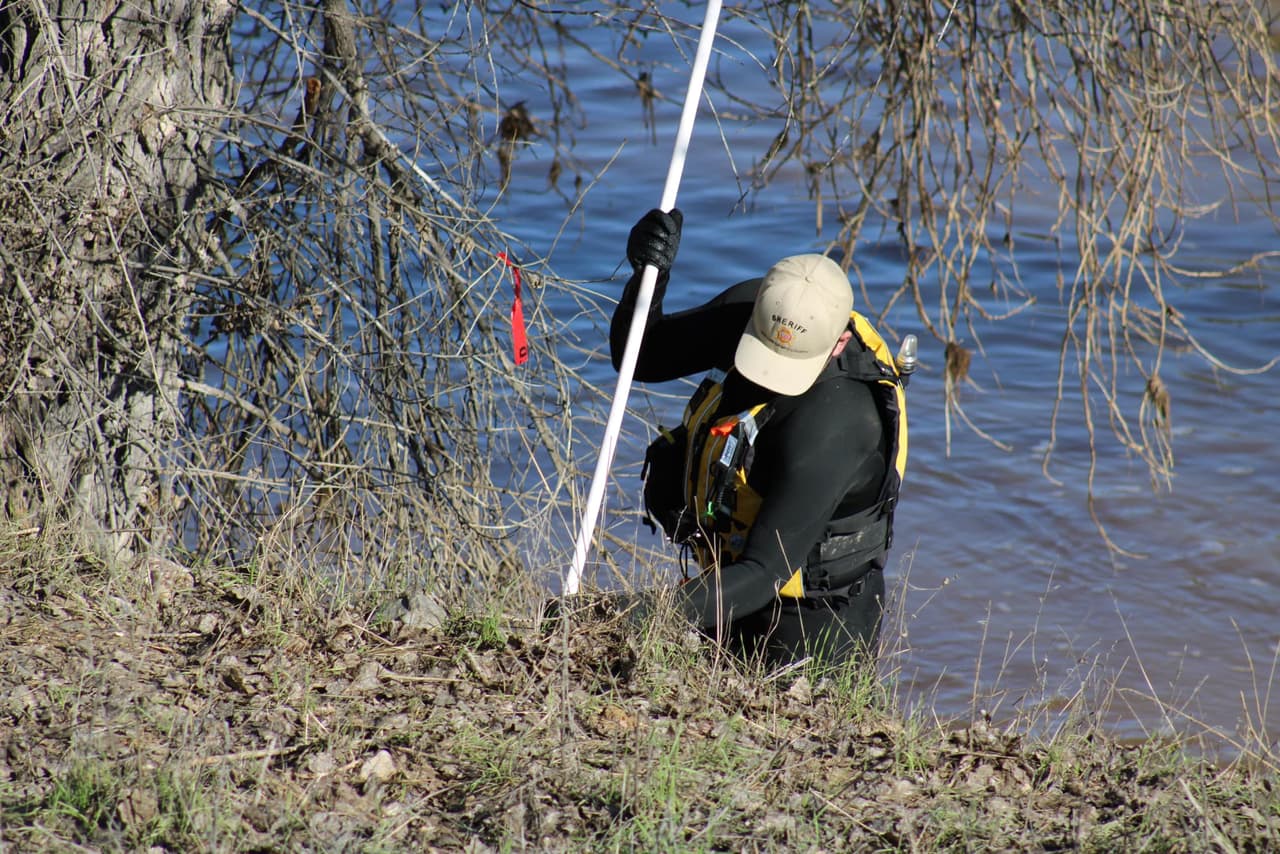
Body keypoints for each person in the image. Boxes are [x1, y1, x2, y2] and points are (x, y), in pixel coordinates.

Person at [611, 208, 908, 670]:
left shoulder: (840, 424)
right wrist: (648, 276)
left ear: (839, 343)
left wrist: (624, 617)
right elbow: (640, 357)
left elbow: (765, 572)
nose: (769, 376)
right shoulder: (762, 309)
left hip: (811, 621)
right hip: (727, 586)